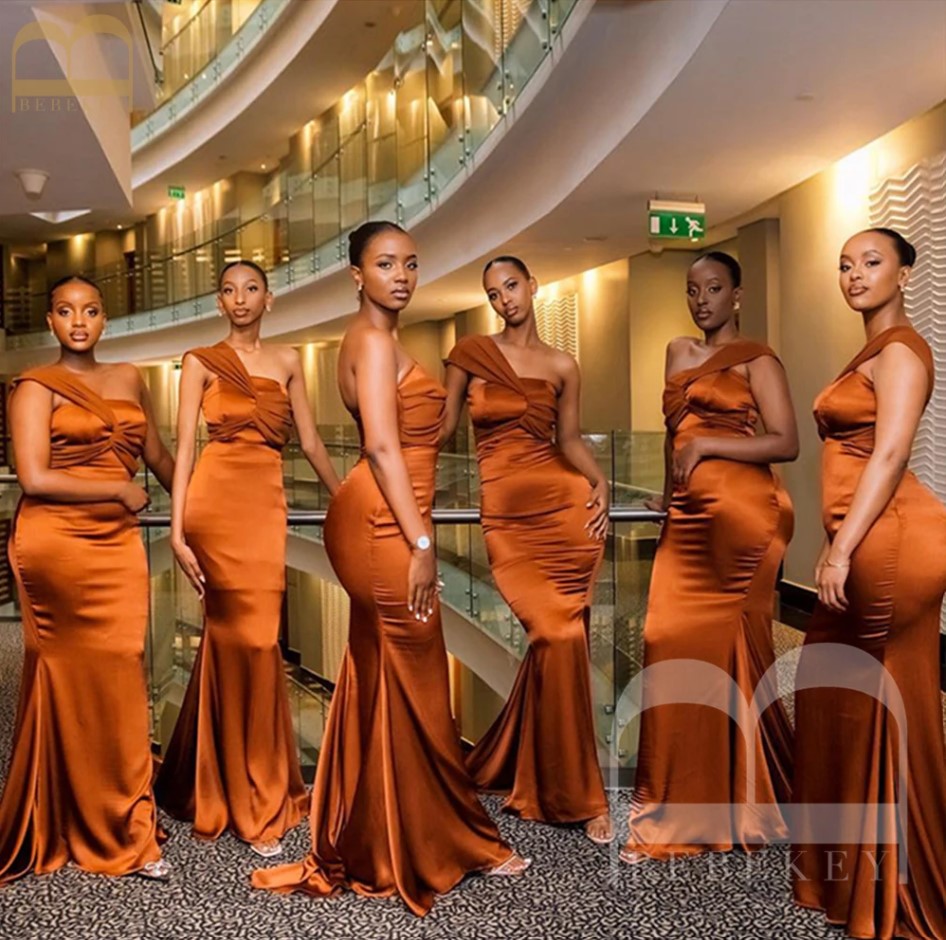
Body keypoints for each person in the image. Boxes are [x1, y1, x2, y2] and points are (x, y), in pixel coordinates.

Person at [252, 222, 529, 916]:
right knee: (421, 680)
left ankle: (388, 828)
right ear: (356, 275)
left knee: (390, 678)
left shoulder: (374, 340)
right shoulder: (372, 343)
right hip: (385, 525)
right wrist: (422, 545)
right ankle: (438, 839)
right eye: (384, 264)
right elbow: (380, 447)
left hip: (381, 519)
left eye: (409, 263)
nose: (401, 275)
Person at [155, 260, 341, 858]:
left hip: (265, 509)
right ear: (219, 302)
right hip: (214, 507)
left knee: (255, 643)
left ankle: (222, 776)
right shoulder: (199, 362)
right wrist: (178, 531)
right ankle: (249, 794)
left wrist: (351, 500)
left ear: (269, 298)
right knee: (245, 643)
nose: (240, 299)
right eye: (230, 291)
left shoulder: (288, 362)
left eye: (251, 289)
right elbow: (184, 449)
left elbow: (310, 442)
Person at [792, 228, 946, 940]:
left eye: (871, 262)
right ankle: (852, 875)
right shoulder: (873, 351)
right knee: (837, 695)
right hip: (867, 542)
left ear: (905, 273)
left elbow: (890, 454)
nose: (854, 275)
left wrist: (839, 549)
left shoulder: (905, 351)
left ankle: (895, 889)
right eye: (845, 264)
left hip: (889, 543)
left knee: (874, 701)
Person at [622, 251, 797, 862]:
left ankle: (744, 796)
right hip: (688, 519)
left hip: (747, 517)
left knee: (733, 649)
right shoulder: (676, 352)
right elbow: (676, 437)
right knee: (664, 638)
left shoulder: (758, 359)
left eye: (715, 288)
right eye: (693, 290)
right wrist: (669, 494)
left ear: (737, 295)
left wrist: (711, 448)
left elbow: (787, 441)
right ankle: (675, 804)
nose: (702, 300)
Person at [0, 274, 174, 883]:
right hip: (56, 545)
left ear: (105, 319)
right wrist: (116, 489)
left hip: (117, 546)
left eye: (92, 310)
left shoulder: (129, 377)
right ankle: (71, 812)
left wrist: (202, 511)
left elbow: (157, 453)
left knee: (124, 671)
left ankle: (125, 819)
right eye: (66, 311)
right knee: (71, 677)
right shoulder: (34, 387)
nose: (79, 321)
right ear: (50, 321)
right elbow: (34, 478)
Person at [442, 255, 613, 844]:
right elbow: (441, 430)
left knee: (565, 641)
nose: (504, 299)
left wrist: (601, 481)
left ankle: (577, 792)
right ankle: (564, 783)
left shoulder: (563, 365)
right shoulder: (470, 353)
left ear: (533, 286)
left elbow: (567, 438)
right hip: (509, 522)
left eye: (512, 286)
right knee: (555, 636)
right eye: (493, 292)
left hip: (565, 511)